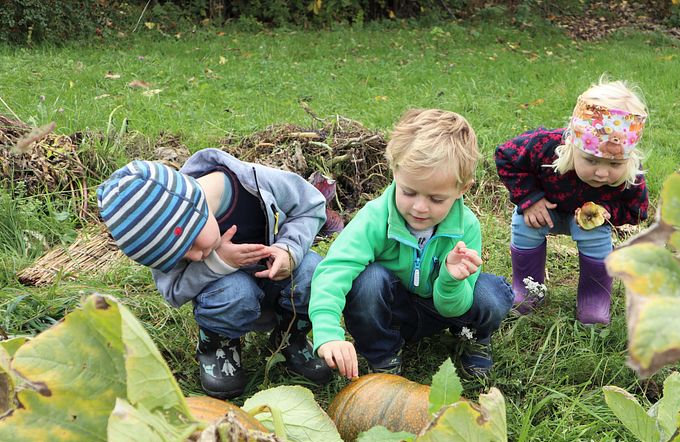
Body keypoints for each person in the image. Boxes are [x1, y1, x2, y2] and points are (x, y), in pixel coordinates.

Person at [97, 148, 332, 399]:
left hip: (278, 276)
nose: (195, 257)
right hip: (227, 294)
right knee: (234, 292)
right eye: (183, 258)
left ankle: (290, 338)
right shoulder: (163, 235)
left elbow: (311, 205)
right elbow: (173, 292)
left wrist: (290, 250)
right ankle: (218, 348)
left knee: (312, 272)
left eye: (188, 247)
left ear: (194, 210)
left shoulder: (256, 183)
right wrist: (217, 263)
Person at [309, 109, 514, 380]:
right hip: (395, 309)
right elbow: (334, 271)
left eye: (436, 199)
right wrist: (327, 333)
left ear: (462, 189)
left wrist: (451, 280)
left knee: (491, 295)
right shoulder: (374, 218)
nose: (419, 207)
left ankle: (473, 338)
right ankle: (383, 353)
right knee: (367, 280)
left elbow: (455, 306)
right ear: (394, 172)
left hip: (444, 309)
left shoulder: (466, 227)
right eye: (408, 192)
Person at [494, 77, 648, 325]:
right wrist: (530, 199)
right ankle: (528, 288)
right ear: (572, 143)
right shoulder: (546, 145)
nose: (602, 173)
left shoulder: (631, 174)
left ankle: (594, 298)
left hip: (588, 221)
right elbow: (506, 156)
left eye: (615, 165)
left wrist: (609, 212)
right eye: (591, 160)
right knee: (524, 221)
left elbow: (637, 209)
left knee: (595, 234)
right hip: (546, 210)